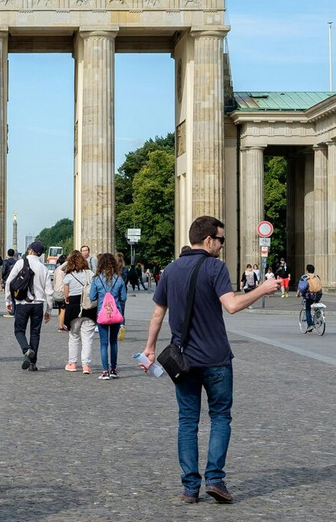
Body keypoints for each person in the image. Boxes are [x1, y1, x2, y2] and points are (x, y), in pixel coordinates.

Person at [142, 216, 281, 504]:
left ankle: (190, 488)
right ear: (208, 240)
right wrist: (262, 289)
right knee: (220, 417)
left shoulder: (170, 270)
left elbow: (157, 315)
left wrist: (150, 349)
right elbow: (232, 305)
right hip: (215, 358)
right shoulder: (215, 267)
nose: (222, 245)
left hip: (183, 360)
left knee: (187, 421)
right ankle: (215, 479)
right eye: (221, 240)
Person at [6, 241, 52, 370]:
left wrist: (8, 301)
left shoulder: (20, 263)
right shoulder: (44, 268)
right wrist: (48, 310)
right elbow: (49, 292)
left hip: (22, 303)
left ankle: (26, 350)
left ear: (30, 250)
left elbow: (9, 282)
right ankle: (33, 363)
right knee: (35, 333)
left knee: (19, 330)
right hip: (38, 305)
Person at [58, 250, 97, 374]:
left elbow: (66, 296)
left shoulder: (68, 276)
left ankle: (72, 363)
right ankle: (86, 365)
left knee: (74, 337)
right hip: (89, 308)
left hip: (73, 308)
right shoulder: (90, 273)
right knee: (87, 338)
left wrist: (68, 263)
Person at [90, 253, 126, 379]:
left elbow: (92, 297)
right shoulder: (119, 279)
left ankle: (105, 371)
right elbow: (123, 298)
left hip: (102, 313)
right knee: (113, 342)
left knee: (103, 343)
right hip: (115, 313)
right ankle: (114, 369)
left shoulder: (97, 279)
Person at [301, 264, 323, 333]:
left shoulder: (304, 277)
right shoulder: (317, 277)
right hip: (318, 295)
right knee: (316, 305)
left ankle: (310, 325)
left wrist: (299, 294)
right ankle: (318, 316)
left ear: (307, 270)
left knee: (308, 309)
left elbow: (301, 287)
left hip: (310, 295)